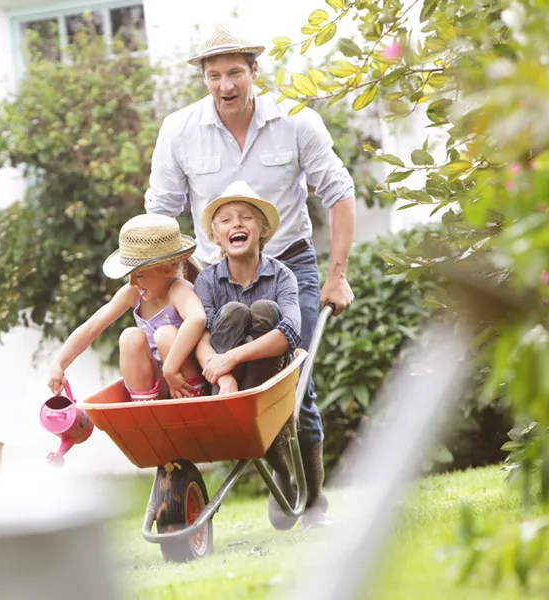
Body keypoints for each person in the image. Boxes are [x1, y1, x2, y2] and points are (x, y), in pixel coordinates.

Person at [144, 22, 356, 527]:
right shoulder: (179, 130)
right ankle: (281, 474)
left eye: (235, 72)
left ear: (254, 70)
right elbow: (160, 215)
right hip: (214, 276)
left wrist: (336, 275)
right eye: (214, 75)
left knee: (294, 380)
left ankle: (312, 504)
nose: (225, 85)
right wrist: (167, 286)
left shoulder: (296, 121)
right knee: (232, 381)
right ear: (204, 77)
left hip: (289, 267)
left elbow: (340, 193)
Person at [194, 181, 315, 530]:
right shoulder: (207, 281)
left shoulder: (282, 276)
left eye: (246, 217)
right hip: (224, 386)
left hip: (268, 383)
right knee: (233, 311)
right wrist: (224, 376)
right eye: (226, 220)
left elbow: (289, 332)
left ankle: (281, 468)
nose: (237, 224)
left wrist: (233, 358)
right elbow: (200, 337)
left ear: (262, 231)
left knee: (264, 309)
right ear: (215, 236)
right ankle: (274, 456)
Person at [47, 214, 208, 402]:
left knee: (165, 335)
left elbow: (197, 318)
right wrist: (59, 363)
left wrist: (170, 368)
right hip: (160, 381)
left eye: (139, 275)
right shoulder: (133, 292)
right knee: (130, 336)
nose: (132, 282)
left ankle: (191, 397)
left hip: (183, 379)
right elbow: (92, 326)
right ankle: (146, 404)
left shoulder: (179, 289)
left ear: (167, 269)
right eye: (129, 275)